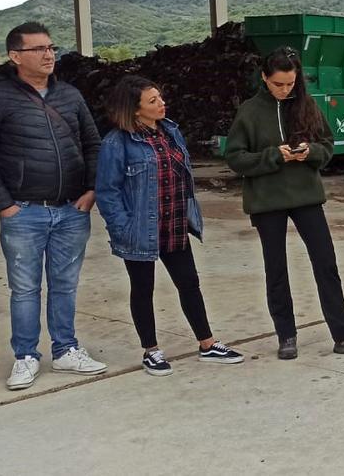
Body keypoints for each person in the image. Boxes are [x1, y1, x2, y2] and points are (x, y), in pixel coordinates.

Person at [0, 22, 108, 390]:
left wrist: (91, 190)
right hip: (24, 212)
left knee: (64, 285)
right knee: (25, 288)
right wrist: (4, 206)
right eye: (39, 49)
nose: (49, 55)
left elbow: (94, 145)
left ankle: (65, 350)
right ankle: (26, 356)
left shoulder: (71, 96)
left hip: (70, 211)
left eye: (51, 47)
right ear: (15, 56)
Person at [226, 47, 344, 360]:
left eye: (290, 84)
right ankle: (286, 335)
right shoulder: (250, 112)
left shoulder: (307, 106)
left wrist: (311, 153)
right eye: (278, 84)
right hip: (267, 201)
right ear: (264, 78)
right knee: (276, 269)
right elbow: (235, 157)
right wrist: (273, 156)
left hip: (307, 197)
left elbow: (328, 145)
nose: (284, 90)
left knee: (326, 264)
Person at [95, 76, 244, 376]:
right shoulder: (116, 143)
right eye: (153, 101)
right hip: (140, 229)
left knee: (189, 283)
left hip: (174, 223)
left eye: (160, 97)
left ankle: (208, 343)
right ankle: (151, 350)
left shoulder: (170, 132)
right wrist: (122, 227)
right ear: (135, 110)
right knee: (143, 289)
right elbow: (107, 191)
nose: (162, 103)